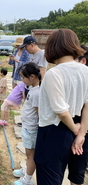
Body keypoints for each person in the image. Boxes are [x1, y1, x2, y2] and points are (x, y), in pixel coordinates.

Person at [34, 29, 88, 185]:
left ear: (52, 47)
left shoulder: (54, 73)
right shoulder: (86, 70)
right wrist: (81, 133)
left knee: (49, 176)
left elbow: (61, 111)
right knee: (69, 172)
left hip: (54, 130)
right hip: (78, 126)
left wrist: (75, 129)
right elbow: (87, 105)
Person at [12, 62, 41, 185]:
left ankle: (27, 179)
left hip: (31, 129)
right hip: (28, 127)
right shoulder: (33, 89)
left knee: (31, 156)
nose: (22, 80)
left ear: (32, 77)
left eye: (23, 77)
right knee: (28, 153)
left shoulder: (36, 93)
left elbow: (39, 113)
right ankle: (27, 170)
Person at [68, 44, 88, 185]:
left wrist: (81, 133)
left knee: (76, 172)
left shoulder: (81, 79)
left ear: (83, 61)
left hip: (81, 133)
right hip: (78, 131)